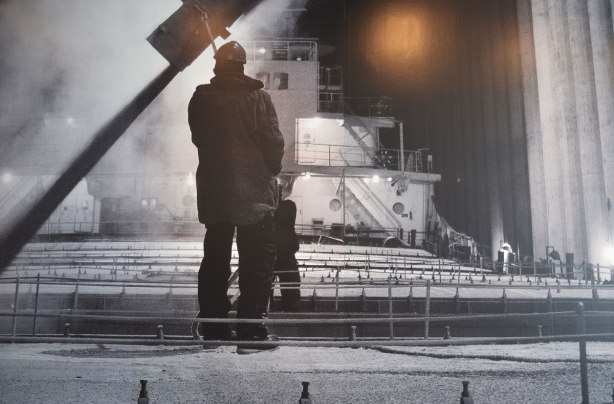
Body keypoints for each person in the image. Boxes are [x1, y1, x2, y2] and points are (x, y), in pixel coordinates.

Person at [188, 41, 284, 349]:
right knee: (257, 264)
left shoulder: (200, 98)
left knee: (215, 262)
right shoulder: (258, 99)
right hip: (254, 196)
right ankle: (250, 330)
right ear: (242, 66)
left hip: (215, 195)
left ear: (216, 66)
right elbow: (273, 143)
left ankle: (214, 328)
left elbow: (198, 137)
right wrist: (270, 170)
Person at [273, 198, 301, 312]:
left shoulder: (276, 211)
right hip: (287, 255)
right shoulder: (290, 206)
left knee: (265, 285)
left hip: (274, 253)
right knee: (291, 285)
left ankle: (266, 307)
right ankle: (291, 308)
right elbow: (294, 245)